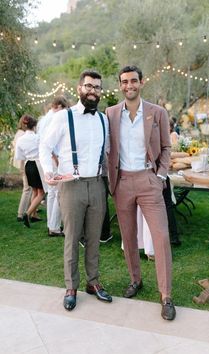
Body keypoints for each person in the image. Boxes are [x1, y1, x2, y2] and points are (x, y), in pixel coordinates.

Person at [106, 65, 176, 321]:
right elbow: (107, 148)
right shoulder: (111, 113)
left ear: (141, 82)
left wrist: (159, 176)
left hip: (149, 180)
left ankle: (166, 295)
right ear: (120, 85)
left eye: (133, 81)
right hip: (122, 181)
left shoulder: (157, 113)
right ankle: (136, 280)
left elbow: (167, 147)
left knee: (161, 237)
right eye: (124, 82)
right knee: (129, 237)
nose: (129, 86)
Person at [39, 70, 112, 311]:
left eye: (97, 87)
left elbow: (107, 151)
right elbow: (45, 145)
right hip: (71, 185)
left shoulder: (103, 119)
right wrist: (49, 171)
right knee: (71, 238)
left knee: (94, 238)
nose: (93, 90)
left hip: (97, 184)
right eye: (89, 86)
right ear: (79, 88)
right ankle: (71, 287)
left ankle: (93, 282)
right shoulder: (64, 117)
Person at [38, 96, 69, 237]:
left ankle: (51, 224)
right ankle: (55, 227)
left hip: (46, 158)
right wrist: (56, 159)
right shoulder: (55, 118)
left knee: (51, 193)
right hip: (52, 158)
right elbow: (50, 144)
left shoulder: (43, 119)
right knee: (57, 193)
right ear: (59, 106)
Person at [14, 115, 46, 228]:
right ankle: (27, 214)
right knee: (41, 193)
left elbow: (19, 156)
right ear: (34, 126)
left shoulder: (20, 139)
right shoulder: (38, 138)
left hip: (28, 165)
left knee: (35, 191)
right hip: (37, 164)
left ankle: (34, 215)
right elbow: (44, 151)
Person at [12, 116, 32, 221]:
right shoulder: (22, 135)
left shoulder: (19, 133)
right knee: (27, 188)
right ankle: (21, 214)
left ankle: (31, 209)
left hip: (23, 163)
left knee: (29, 188)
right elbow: (20, 153)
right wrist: (22, 168)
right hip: (23, 164)